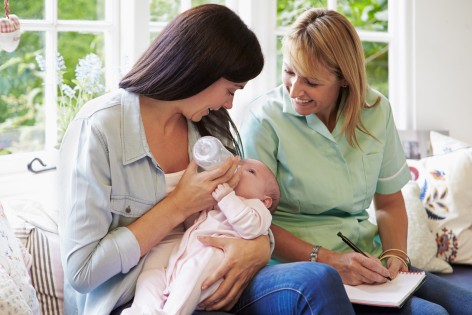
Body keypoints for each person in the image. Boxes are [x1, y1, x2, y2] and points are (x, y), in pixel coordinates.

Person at [58, 4, 355, 315]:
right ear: (200, 71)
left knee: (318, 280)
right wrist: (178, 206)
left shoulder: (209, 128)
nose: (228, 104)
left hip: (216, 280)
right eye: (230, 90)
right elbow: (82, 272)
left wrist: (258, 247)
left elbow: (250, 204)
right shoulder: (100, 128)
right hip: (142, 297)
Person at [240, 7, 472, 315]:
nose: (295, 89)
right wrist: (332, 261)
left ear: (344, 80)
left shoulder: (376, 110)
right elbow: (255, 223)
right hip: (295, 265)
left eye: (311, 81)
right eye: (290, 71)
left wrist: (395, 256)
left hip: (365, 257)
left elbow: (388, 202)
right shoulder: (264, 119)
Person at [122, 159, 280, 315]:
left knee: (195, 267)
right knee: (150, 276)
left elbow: (251, 228)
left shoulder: (257, 208)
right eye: (239, 165)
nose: (239, 169)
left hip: (211, 269)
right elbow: (192, 224)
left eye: (251, 171)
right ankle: (142, 310)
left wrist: (227, 198)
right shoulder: (218, 202)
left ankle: (173, 312)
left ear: (265, 200)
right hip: (181, 263)